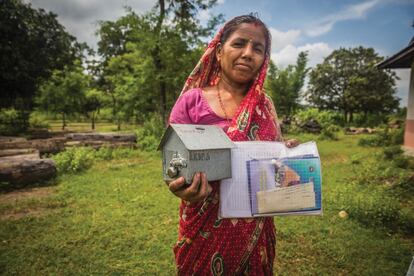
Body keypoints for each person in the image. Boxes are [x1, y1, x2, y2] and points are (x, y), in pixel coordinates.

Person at [167, 14, 299, 275]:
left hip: (255, 229)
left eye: (257, 48)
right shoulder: (192, 102)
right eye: (239, 44)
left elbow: (274, 163)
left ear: (264, 59)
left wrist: (288, 154)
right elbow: (172, 167)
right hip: (203, 227)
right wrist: (182, 190)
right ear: (218, 52)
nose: (248, 54)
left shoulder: (265, 106)